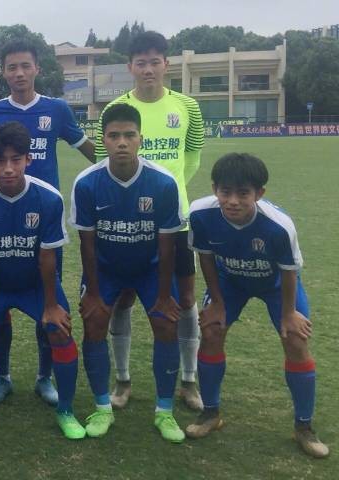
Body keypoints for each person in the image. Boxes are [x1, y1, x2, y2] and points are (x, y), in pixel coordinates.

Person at [0, 39, 95, 406]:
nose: (19, 73)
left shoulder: (56, 109)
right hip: (1, 219)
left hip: (44, 223)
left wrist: (121, 171)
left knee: (48, 302)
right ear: (3, 72)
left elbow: (88, 149)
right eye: (12, 67)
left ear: (37, 68)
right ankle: (2, 377)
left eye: (25, 66)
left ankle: (44, 377)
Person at [186, 153, 329, 458]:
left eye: (243, 193)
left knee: (295, 339)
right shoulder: (199, 213)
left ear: (259, 193)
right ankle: (210, 413)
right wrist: (217, 303)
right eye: (225, 192)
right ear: (214, 189)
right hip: (230, 281)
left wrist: (288, 314)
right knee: (211, 331)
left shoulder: (279, 225)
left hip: (276, 284)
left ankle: (304, 427)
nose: (233, 201)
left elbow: (289, 271)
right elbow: (205, 257)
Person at [94, 31, 205, 410]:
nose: (148, 69)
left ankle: (189, 380)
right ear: (130, 67)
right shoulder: (115, 109)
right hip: (126, 222)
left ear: (166, 64)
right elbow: (104, 162)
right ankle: (123, 381)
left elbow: (192, 158)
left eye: (155, 61)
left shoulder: (187, 107)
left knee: (185, 300)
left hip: (176, 222)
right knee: (122, 298)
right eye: (140, 62)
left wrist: (167, 196)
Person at [0, 122, 84, 440]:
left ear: (28, 159)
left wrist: (51, 306)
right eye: (0, 160)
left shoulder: (48, 198)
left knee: (58, 328)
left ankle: (64, 408)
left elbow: (47, 258)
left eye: (16, 159)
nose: (8, 168)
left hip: (36, 284)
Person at [71, 103, 185, 443]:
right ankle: (102, 407)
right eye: (114, 135)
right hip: (106, 269)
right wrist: (93, 293)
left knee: (166, 322)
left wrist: (163, 296)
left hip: (150, 269)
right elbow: (87, 243)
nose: (122, 142)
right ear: (103, 140)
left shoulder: (163, 182)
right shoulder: (87, 183)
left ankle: (164, 412)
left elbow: (168, 245)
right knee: (94, 321)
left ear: (140, 139)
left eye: (129, 135)